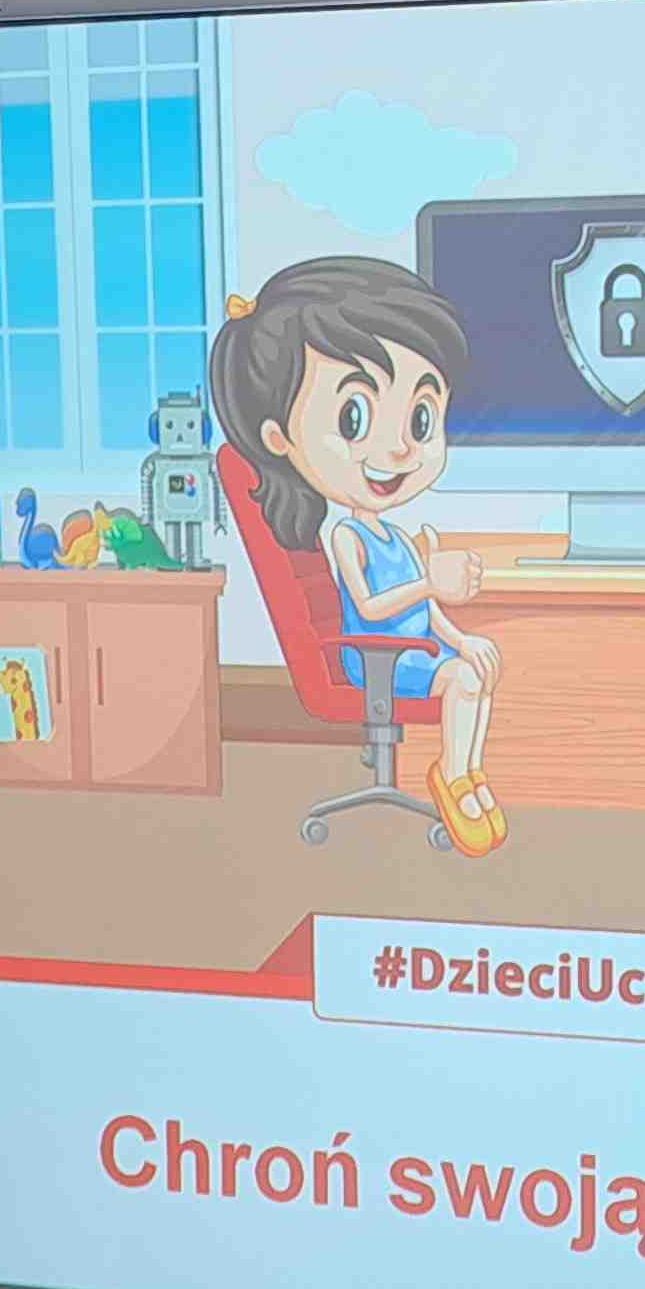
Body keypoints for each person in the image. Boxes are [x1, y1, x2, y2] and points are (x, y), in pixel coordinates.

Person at [210, 255, 508, 854]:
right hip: (376, 662)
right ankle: (452, 775)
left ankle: (469, 771)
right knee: (460, 680)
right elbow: (372, 610)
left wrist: (460, 636)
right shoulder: (347, 537)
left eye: (420, 418)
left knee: (474, 667)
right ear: (279, 439)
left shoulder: (395, 534)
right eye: (355, 416)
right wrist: (432, 586)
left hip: (411, 648)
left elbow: (424, 613)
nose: (399, 448)